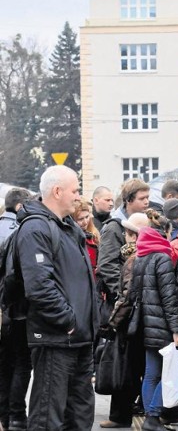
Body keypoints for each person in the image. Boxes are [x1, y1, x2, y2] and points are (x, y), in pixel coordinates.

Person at [15, 165, 97, 430]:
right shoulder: (36, 229)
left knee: (80, 415)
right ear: (57, 191)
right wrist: (68, 320)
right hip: (57, 338)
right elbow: (39, 285)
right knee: (48, 415)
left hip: (79, 337)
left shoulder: (68, 228)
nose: (78, 195)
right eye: (75, 190)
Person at [97, 178, 150, 428]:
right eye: (142, 198)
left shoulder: (146, 224)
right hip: (123, 304)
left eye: (148, 198)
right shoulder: (114, 228)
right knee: (123, 360)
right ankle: (119, 415)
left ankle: (134, 410)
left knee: (138, 358)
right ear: (129, 201)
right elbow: (106, 266)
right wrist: (123, 293)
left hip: (141, 304)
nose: (147, 203)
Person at [134, 210, 178, 431]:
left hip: (145, 325)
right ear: (165, 232)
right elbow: (169, 297)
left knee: (151, 374)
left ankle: (149, 417)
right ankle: (153, 417)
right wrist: (176, 329)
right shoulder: (162, 258)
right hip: (162, 325)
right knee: (170, 373)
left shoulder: (140, 257)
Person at [0, 187, 32, 431]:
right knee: (21, 361)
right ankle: (17, 416)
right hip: (16, 308)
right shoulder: (22, 232)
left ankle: (5, 415)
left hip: (5, 307)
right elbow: (13, 277)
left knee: (4, 363)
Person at [73, 199, 101, 278]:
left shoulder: (94, 234)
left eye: (87, 217)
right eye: (80, 219)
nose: (85, 222)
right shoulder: (71, 239)